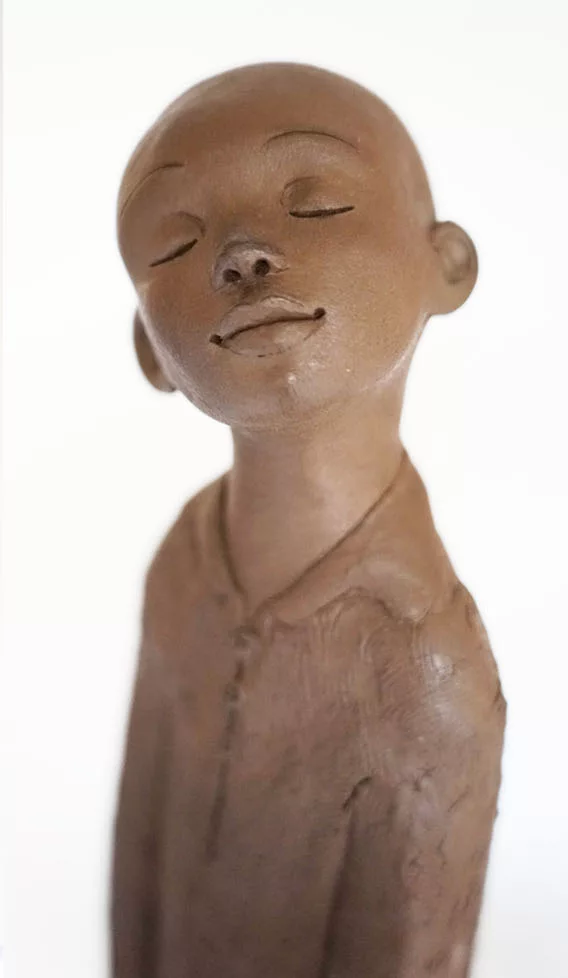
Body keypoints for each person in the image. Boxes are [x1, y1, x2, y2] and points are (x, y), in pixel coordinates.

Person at [112, 63, 505, 978]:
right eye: (176, 244)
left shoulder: (425, 666)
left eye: (318, 204)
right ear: (150, 349)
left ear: (446, 265)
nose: (242, 255)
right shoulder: (182, 565)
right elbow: (137, 860)